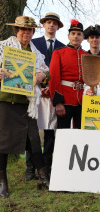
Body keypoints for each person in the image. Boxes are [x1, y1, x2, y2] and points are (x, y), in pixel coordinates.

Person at [0, 16, 50, 198]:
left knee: (34, 139)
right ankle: (2, 181)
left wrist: (41, 76)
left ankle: (43, 177)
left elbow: (47, 71)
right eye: (23, 30)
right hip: (7, 101)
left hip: (28, 103)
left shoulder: (35, 52)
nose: (26, 33)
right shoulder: (3, 47)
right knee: (3, 142)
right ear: (16, 31)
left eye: (29, 30)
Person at [24, 13, 65, 181]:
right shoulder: (34, 43)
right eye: (48, 22)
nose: (51, 25)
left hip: (52, 94)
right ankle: (31, 167)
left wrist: (52, 88)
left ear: (58, 27)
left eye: (54, 23)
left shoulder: (63, 47)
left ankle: (46, 166)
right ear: (44, 25)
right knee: (31, 129)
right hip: (35, 91)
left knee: (49, 130)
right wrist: (39, 85)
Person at [49, 19, 89, 129]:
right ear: (68, 36)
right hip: (65, 99)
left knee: (82, 134)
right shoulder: (58, 53)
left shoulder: (87, 55)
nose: (76, 36)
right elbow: (54, 78)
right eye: (73, 33)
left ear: (83, 37)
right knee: (63, 133)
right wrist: (58, 102)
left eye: (79, 34)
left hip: (83, 100)